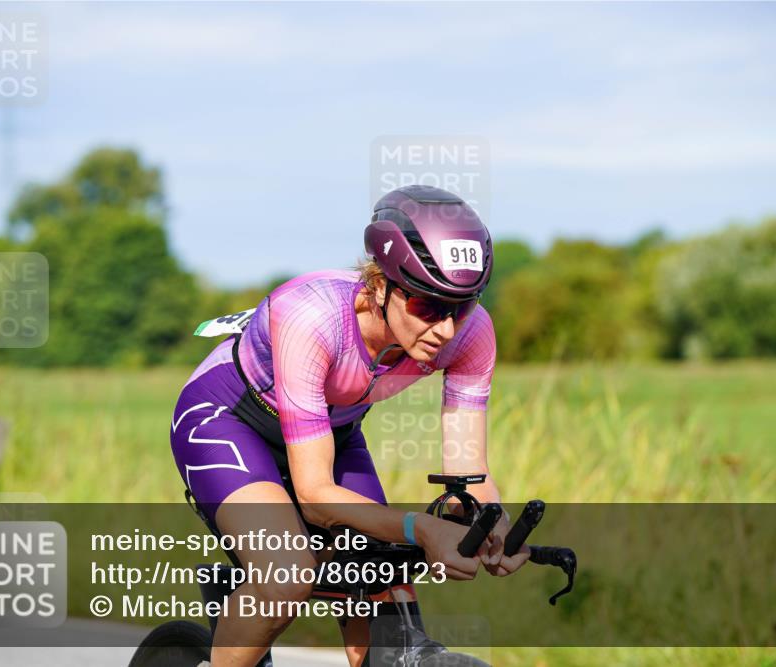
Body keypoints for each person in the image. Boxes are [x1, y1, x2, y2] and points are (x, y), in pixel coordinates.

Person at [170, 184, 528, 667]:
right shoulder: (311, 315)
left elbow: (470, 469)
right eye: (427, 306)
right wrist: (420, 528)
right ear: (380, 284)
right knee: (286, 574)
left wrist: (494, 523)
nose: (445, 329)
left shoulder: (472, 334)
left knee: (380, 575)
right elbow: (317, 498)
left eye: (461, 306)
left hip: (332, 431)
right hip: (229, 419)